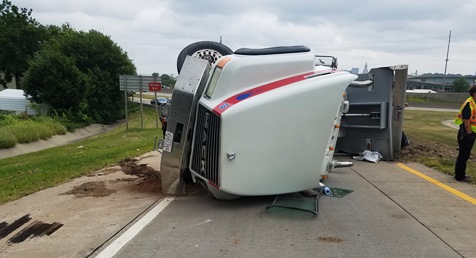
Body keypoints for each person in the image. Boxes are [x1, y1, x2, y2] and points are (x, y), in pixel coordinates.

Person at [454, 84, 476, 182]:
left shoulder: (473, 103)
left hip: (470, 132)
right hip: (466, 133)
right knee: (463, 154)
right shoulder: (469, 104)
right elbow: (466, 120)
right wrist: (469, 134)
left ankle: (461, 174)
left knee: (465, 154)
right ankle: (460, 176)